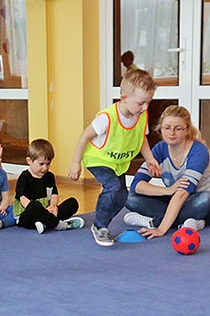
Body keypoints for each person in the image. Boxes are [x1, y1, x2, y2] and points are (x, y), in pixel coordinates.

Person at [68, 69, 161, 246]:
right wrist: (75, 162)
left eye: (149, 102)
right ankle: (100, 226)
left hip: (117, 163)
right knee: (112, 186)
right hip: (98, 160)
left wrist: (150, 159)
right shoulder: (107, 118)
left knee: (122, 197)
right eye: (141, 103)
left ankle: (102, 220)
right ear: (124, 98)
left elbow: (141, 138)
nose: (145, 108)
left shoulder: (141, 116)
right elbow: (85, 136)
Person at [123, 105, 210, 237]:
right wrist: (167, 190)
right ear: (161, 128)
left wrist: (161, 230)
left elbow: (182, 194)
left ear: (187, 130)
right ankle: (188, 222)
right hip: (176, 199)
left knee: (206, 199)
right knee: (128, 197)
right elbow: (136, 185)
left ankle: (154, 221)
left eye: (178, 129)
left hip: (208, 204)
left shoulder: (199, 151)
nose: (171, 133)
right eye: (167, 128)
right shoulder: (160, 149)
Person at [15, 138, 84, 234]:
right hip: (28, 215)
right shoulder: (24, 177)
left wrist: (53, 206)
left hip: (48, 211)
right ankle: (58, 225)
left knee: (73, 203)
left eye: (48, 164)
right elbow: (23, 200)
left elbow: (54, 194)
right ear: (29, 161)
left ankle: (45, 223)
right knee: (34, 205)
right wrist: (43, 212)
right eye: (41, 164)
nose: (45, 168)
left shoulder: (50, 176)